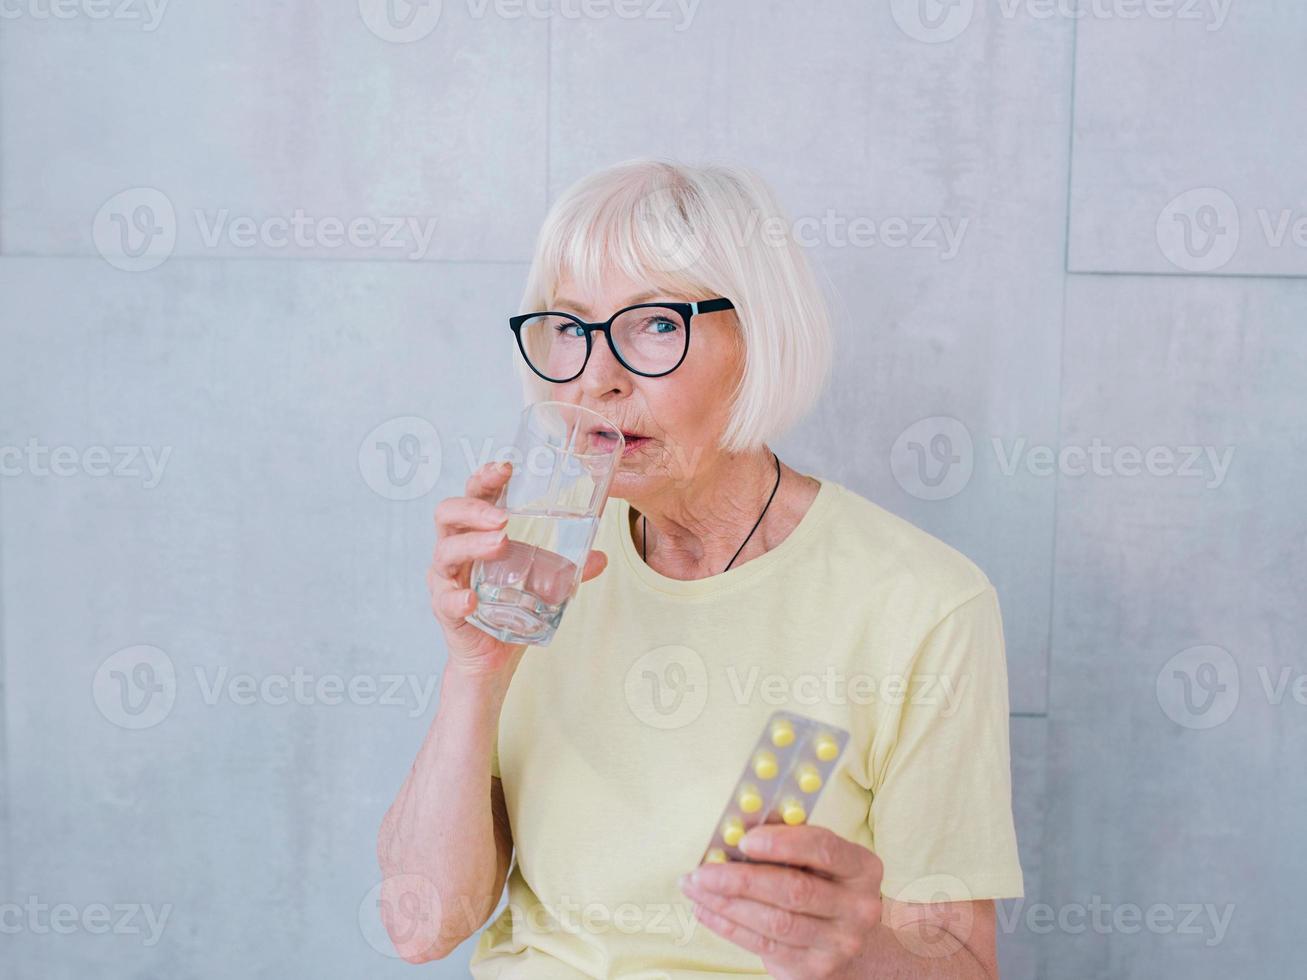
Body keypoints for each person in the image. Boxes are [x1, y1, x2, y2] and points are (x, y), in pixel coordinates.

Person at [377, 159, 1023, 979]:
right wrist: (473, 671)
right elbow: (422, 927)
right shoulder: (536, 563)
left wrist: (856, 951)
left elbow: (959, 968)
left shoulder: (921, 603)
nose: (596, 378)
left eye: (652, 324)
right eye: (570, 329)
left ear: (760, 337)